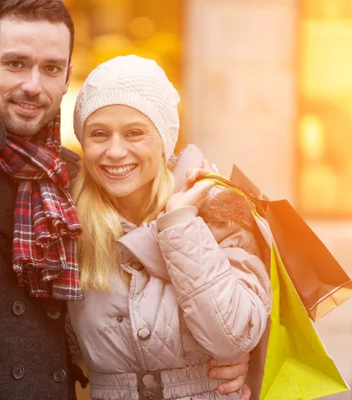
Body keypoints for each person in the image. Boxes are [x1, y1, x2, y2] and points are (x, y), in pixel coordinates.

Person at [0, 1, 253, 399]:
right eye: (15, 64)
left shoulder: (74, 174)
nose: (33, 85)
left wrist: (200, 366)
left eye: (51, 68)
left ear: (67, 76)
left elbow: (132, 297)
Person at [66, 55, 271, 399]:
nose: (115, 151)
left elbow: (233, 335)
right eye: (99, 133)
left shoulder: (217, 209)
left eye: (134, 133)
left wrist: (179, 224)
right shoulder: (66, 223)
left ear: (164, 140)